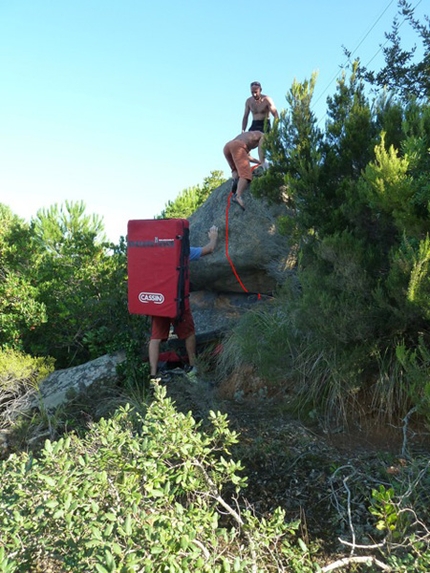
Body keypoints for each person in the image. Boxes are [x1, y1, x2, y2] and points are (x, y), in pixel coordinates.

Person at [149, 225, 219, 381]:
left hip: (159, 300)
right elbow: (209, 249)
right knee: (189, 333)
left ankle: (153, 375)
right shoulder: (183, 252)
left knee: (156, 337)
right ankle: (192, 367)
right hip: (178, 301)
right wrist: (213, 236)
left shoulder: (155, 253)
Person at [223, 131, 265, 210]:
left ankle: (235, 180)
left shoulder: (249, 135)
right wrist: (262, 162)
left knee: (235, 169)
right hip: (238, 146)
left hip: (228, 147)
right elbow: (261, 150)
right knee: (246, 174)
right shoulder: (263, 136)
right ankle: (237, 196)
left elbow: (246, 157)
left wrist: (258, 162)